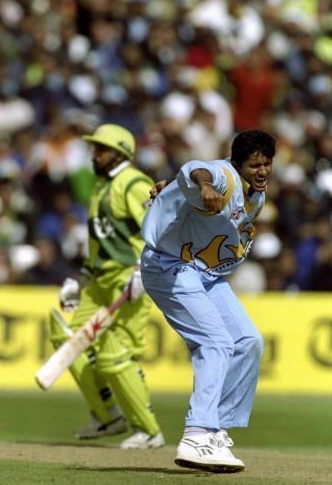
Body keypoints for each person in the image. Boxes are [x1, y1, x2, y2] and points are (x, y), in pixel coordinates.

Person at [141, 129, 276, 472]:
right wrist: (201, 186)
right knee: (215, 342)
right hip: (169, 266)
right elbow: (195, 170)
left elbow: (180, 182)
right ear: (236, 164)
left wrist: (168, 190)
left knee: (248, 342)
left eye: (267, 164)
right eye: (254, 165)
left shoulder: (255, 194)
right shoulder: (222, 177)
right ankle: (196, 433)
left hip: (205, 272)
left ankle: (215, 429)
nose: (262, 171)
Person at [50, 123, 164, 449]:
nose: (94, 153)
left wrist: (145, 268)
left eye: (100, 148)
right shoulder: (101, 187)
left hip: (129, 278)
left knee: (118, 357)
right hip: (100, 281)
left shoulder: (133, 183)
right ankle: (107, 416)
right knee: (68, 339)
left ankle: (149, 431)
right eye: (94, 148)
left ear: (119, 153)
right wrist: (79, 278)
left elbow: (157, 229)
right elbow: (99, 244)